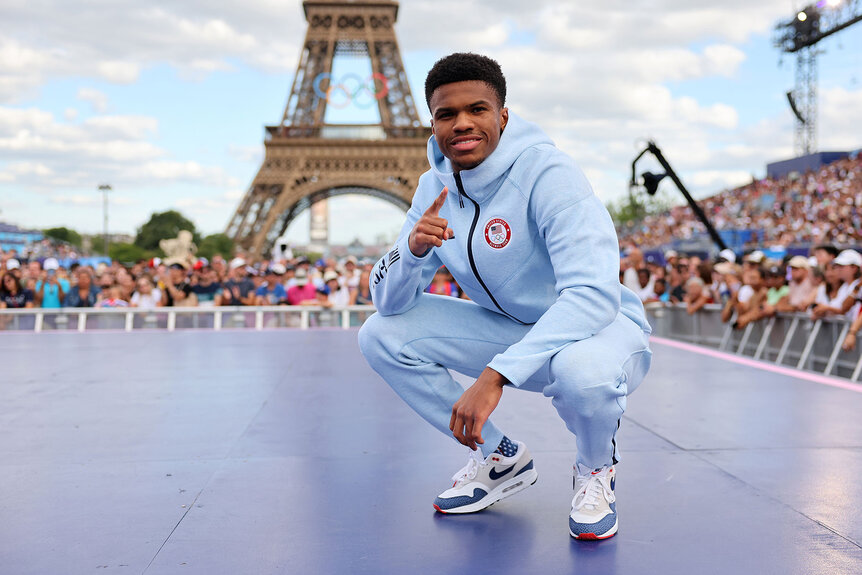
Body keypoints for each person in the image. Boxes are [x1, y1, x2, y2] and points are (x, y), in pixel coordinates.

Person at [358, 53, 652, 540]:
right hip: (516, 329)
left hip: (599, 331)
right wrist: (409, 252)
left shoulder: (549, 173)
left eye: (477, 109)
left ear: (504, 115)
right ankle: (500, 459)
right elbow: (387, 305)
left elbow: (593, 295)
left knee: (584, 375)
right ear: (432, 123)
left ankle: (596, 468)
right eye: (446, 114)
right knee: (380, 335)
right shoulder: (433, 188)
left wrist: (495, 375)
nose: (462, 123)